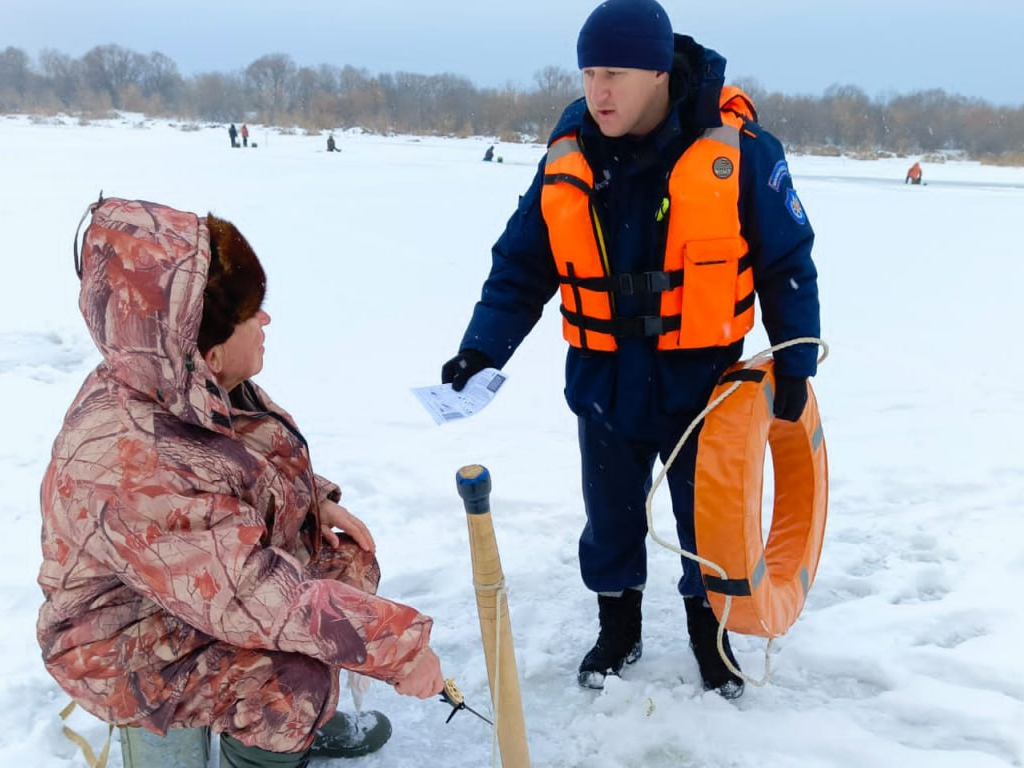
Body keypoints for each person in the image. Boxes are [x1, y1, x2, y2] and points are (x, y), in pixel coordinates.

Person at [440, 0, 820, 700]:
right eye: (588, 74)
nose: (598, 91)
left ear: (655, 73)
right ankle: (619, 626)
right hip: (606, 380)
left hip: (704, 382)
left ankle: (712, 636)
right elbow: (522, 265)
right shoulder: (570, 156)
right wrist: (480, 349)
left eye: (613, 73)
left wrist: (795, 361)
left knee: (705, 521)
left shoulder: (740, 152)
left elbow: (786, 262)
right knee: (608, 513)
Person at [39, 196, 444, 767]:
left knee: (347, 567)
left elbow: (242, 455)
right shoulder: (137, 459)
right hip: (123, 639)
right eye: (251, 314)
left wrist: (316, 501)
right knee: (294, 682)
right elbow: (255, 594)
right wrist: (399, 652)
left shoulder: (181, 378)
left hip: (198, 584)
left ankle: (273, 735)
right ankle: (259, 742)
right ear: (205, 347)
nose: (266, 322)